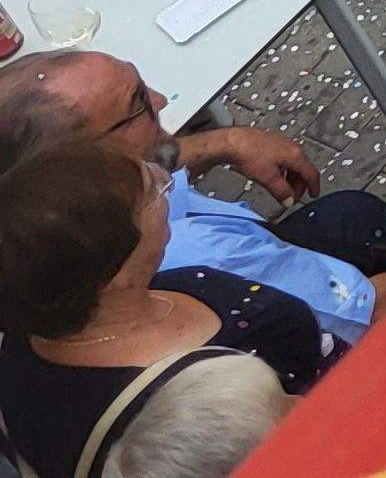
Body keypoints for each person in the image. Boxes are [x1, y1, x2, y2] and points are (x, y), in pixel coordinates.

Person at [0, 49, 386, 355]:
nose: (160, 99)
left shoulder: (41, 222)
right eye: (138, 104)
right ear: (94, 164)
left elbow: (160, 163)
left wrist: (226, 141)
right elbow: (367, 315)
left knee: (355, 213)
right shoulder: (210, 259)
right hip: (342, 357)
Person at [0, 131, 319, 478]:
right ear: (114, 269)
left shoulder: (28, 332)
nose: (166, 178)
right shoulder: (194, 406)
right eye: (152, 192)